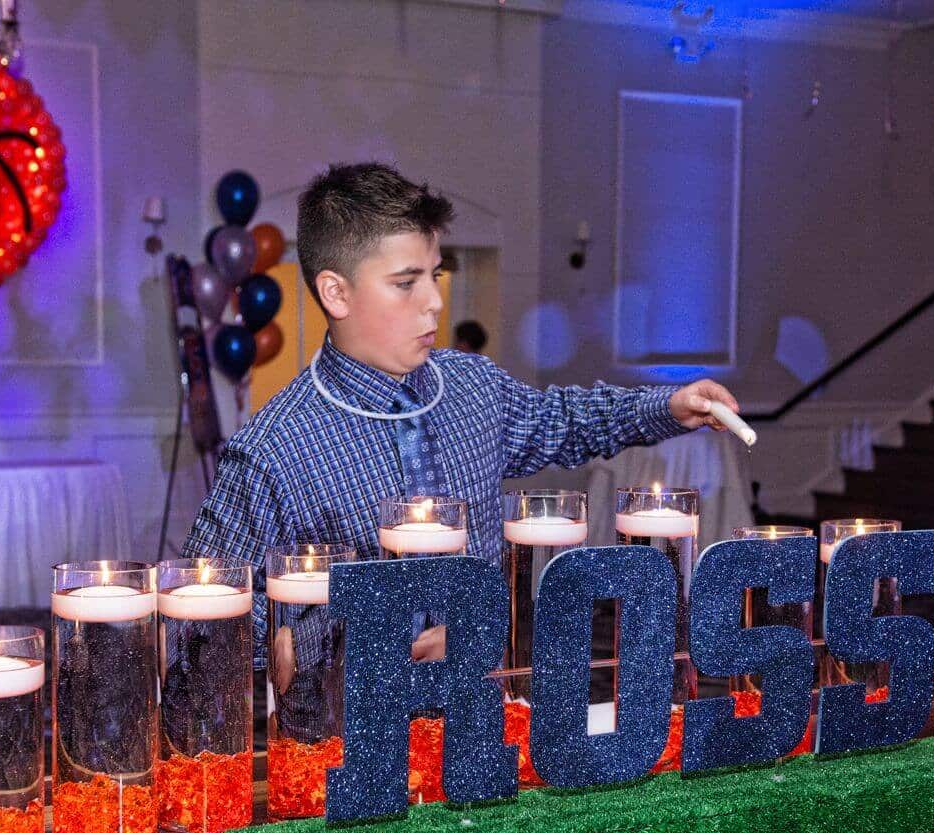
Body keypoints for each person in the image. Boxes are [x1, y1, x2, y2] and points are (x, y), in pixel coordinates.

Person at [184, 161, 739, 680]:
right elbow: (197, 630)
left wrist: (666, 407)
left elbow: (565, 419)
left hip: (485, 725)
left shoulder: (473, 387)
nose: (433, 302)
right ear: (336, 292)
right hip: (347, 752)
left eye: (435, 273)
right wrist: (337, 643)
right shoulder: (275, 450)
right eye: (406, 282)